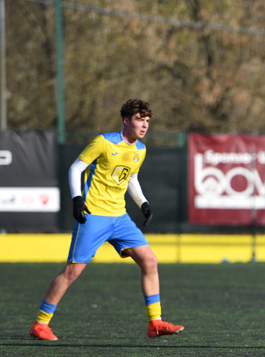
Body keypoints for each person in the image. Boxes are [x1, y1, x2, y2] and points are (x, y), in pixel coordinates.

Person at [29, 99, 184, 340]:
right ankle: (40, 324)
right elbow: (76, 168)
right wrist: (77, 199)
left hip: (120, 218)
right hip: (94, 216)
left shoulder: (140, 149)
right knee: (72, 272)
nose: (144, 125)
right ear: (126, 120)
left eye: (147, 121)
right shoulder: (103, 142)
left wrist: (143, 203)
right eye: (139, 119)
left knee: (150, 261)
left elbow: (131, 178)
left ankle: (155, 323)